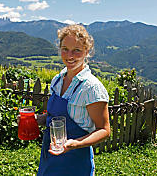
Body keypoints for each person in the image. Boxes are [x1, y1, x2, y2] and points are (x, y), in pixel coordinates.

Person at [36, 24, 110, 176]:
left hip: (75, 161)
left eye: (77, 50)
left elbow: (104, 130)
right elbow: (53, 116)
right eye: (65, 49)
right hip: (51, 155)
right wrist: (36, 119)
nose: (70, 55)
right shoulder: (57, 80)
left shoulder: (91, 87)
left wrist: (77, 143)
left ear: (86, 52)